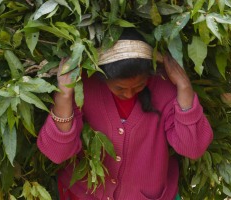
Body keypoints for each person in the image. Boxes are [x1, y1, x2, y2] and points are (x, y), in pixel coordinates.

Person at [37, 29, 213, 200]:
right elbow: (57, 153)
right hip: (84, 194)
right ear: (102, 76)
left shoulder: (164, 90)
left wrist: (184, 86)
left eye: (139, 85)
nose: (129, 94)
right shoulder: (84, 88)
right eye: (119, 88)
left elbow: (193, 148)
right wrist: (64, 94)